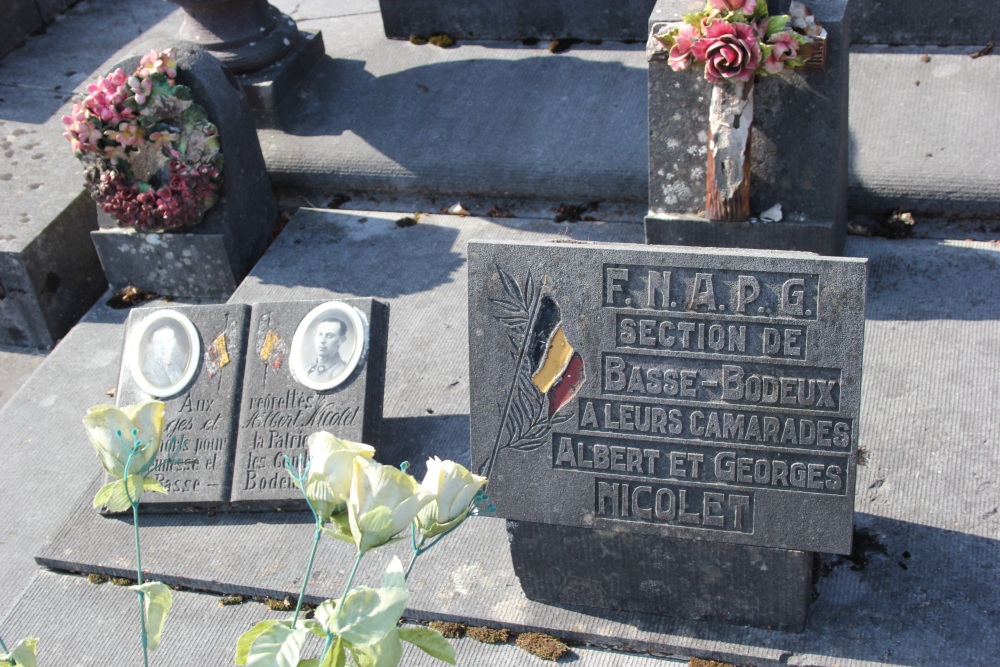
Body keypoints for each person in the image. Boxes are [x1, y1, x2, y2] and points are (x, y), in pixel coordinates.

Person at [306, 317, 349, 382]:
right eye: (320, 334)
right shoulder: (306, 369)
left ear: (341, 340)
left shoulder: (343, 371)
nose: (322, 340)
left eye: (329, 336)